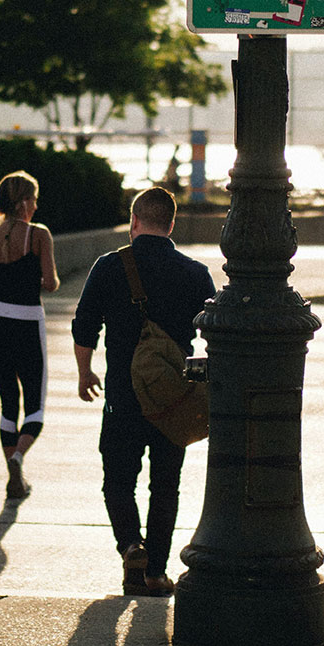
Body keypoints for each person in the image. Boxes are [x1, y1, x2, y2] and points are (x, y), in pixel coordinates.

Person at [71, 187, 216, 597]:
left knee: (118, 481)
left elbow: (84, 326)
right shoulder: (195, 273)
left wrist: (86, 373)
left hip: (122, 394)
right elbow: (212, 335)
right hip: (173, 400)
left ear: (135, 221)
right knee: (165, 486)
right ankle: (154, 573)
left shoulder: (108, 266)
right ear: (170, 224)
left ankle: (130, 545)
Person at [0, 171, 59, 499]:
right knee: (35, 406)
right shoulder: (38, 235)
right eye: (33, 200)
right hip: (27, 323)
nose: (35, 205)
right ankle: (18, 457)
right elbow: (50, 282)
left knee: (8, 403)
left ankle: (12, 473)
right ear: (23, 202)